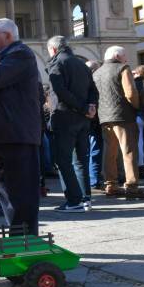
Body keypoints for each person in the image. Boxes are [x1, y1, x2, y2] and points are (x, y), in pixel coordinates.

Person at [0, 18, 41, 235]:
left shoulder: (20, 54)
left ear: (8, 36)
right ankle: (16, 235)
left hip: (16, 136)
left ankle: (26, 239)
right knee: (6, 194)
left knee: (22, 193)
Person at [46, 36, 99, 213]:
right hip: (83, 119)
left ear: (53, 49)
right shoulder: (81, 64)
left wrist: (84, 107)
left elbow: (61, 92)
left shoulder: (57, 63)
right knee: (81, 161)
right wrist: (90, 107)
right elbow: (93, 89)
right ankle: (86, 199)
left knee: (63, 161)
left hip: (65, 117)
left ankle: (74, 200)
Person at [93, 46, 144, 199]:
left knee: (110, 152)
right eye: (125, 56)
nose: (127, 59)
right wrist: (138, 106)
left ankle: (110, 185)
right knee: (129, 151)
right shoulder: (122, 68)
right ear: (118, 56)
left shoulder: (97, 72)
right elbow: (131, 93)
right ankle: (132, 187)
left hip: (104, 117)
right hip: (124, 116)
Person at [85, 60, 105, 190]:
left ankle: (92, 179)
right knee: (95, 150)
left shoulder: (81, 81)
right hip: (94, 120)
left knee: (89, 150)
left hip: (86, 120)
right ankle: (94, 179)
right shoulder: (94, 82)